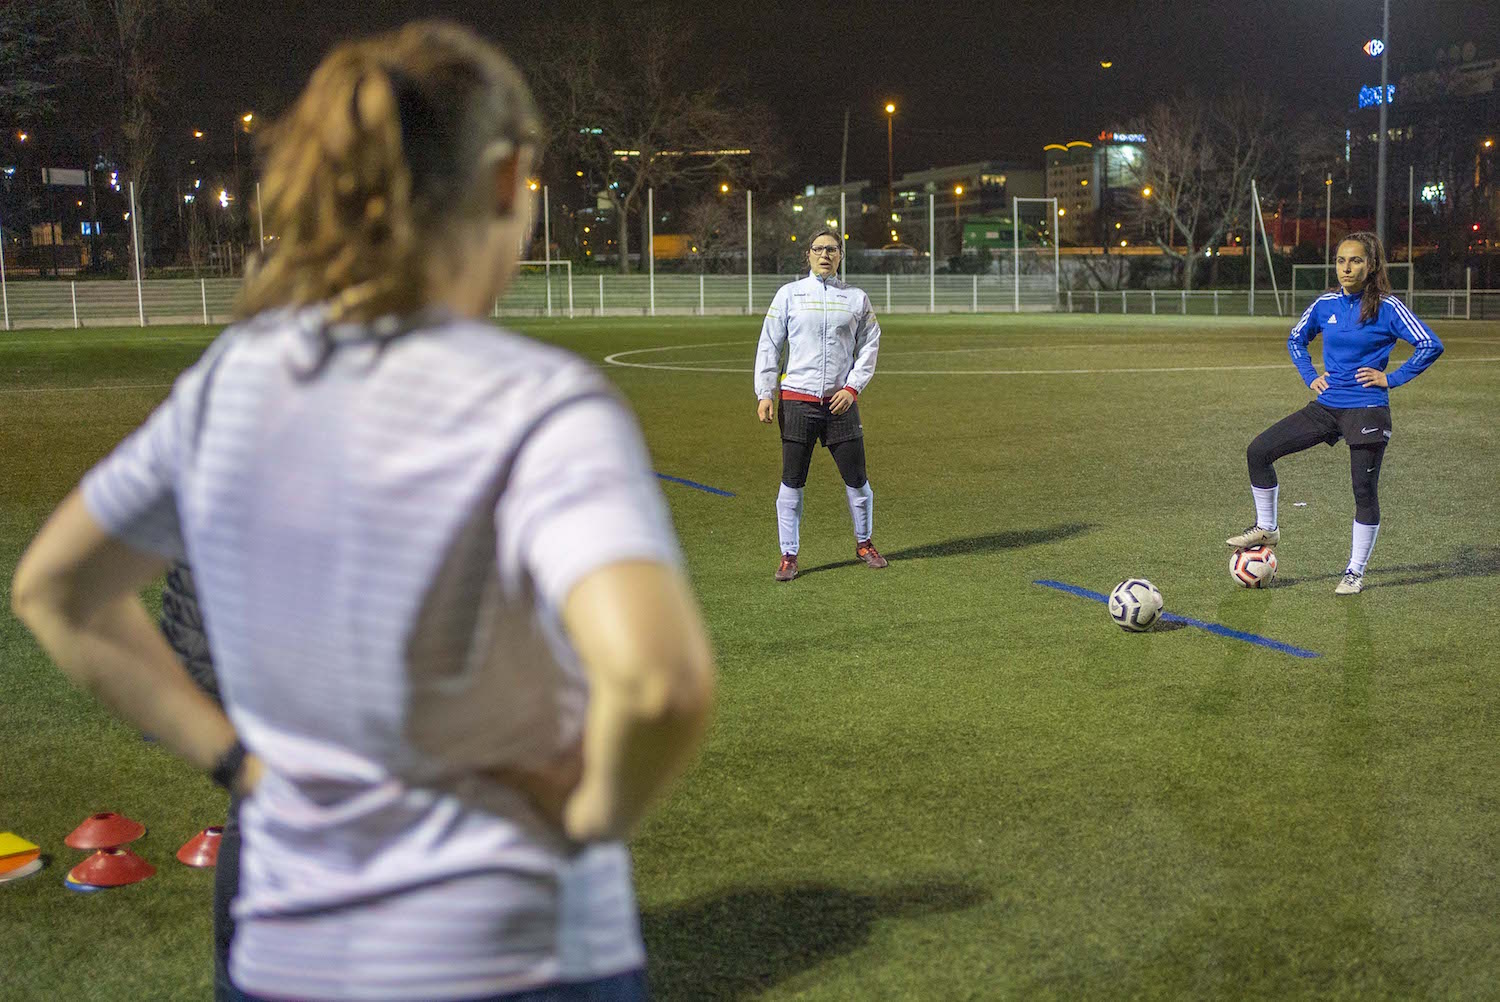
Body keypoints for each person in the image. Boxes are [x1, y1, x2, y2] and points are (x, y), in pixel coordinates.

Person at [12, 21, 715, 1002]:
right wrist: (591, 816)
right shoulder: (540, 404)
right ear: (508, 181)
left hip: (285, 961)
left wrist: (235, 761)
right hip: (518, 956)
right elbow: (659, 681)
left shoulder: (232, 386)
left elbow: (56, 591)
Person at [1227, 231, 1443, 594]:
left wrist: (1391, 379)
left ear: (1371, 265)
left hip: (1368, 409)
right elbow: (1296, 339)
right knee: (1259, 451)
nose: (1347, 267)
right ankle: (1267, 526)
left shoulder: (1388, 307)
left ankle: (1354, 571)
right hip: (1327, 407)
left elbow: (1429, 344)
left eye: (1356, 260)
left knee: (1363, 490)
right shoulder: (1325, 304)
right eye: (1342, 260)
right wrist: (1311, 376)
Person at [754, 228, 885, 582]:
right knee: (792, 481)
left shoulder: (856, 298)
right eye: (818, 249)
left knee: (858, 480)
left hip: (840, 403)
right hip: (797, 401)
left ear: (841, 255)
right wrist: (765, 391)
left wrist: (853, 388)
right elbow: (770, 343)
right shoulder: (790, 295)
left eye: (832, 249)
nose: (825, 254)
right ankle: (789, 555)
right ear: (808, 255)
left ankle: (864, 543)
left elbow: (871, 343)